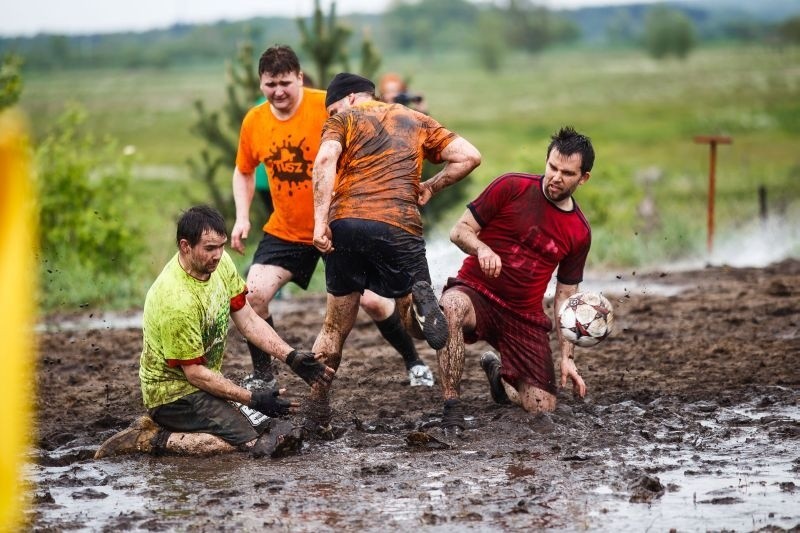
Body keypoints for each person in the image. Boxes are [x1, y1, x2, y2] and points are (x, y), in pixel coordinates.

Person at [230, 46, 436, 390]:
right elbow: (243, 171)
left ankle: (413, 362)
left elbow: (381, 129)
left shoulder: (329, 106)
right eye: (270, 85)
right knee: (253, 293)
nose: (278, 91)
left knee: (371, 300)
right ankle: (265, 374)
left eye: (285, 82)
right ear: (260, 83)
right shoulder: (255, 120)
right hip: (288, 229)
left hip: (338, 224)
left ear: (299, 77)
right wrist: (241, 218)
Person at [308, 72, 482, 432]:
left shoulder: (344, 119)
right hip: (399, 226)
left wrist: (319, 223)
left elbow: (324, 162)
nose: (331, 116)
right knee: (419, 324)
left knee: (334, 326)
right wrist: (431, 185)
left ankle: (315, 409)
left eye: (333, 109)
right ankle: (451, 407)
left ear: (353, 98)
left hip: (347, 225)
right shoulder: (415, 118)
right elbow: (469, 156)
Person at [94, 205, 334, 459]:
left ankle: (175, 428)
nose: (218, 255)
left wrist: (292, 356)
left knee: (271, 429)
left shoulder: (219, 264)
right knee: (250, 445)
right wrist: (253, 398)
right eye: (209, 248)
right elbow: (195, 374)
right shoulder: (176, 300)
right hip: (174, 395)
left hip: (204, 381)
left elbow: (249, 320)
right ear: (185, 246)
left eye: (221, 246)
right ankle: (149, 438)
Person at [435, 126, 595, 434]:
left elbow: (565, 298)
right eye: (552, 167)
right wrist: (481, 249)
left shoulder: (579, 232)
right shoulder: (511, 186)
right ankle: (452, 407)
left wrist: (567, 358)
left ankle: (498, 375)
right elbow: (459, 231)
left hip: (523, 315)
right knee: (450, 307)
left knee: (541, 408)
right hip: (476, 292)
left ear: (583, 178)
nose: (556, 177)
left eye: (567, 172)